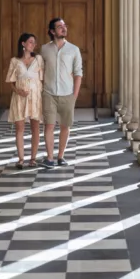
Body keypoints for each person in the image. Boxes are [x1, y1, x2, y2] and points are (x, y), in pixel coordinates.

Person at [40, 17, 83, 168]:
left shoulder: (74, 50)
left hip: (67, 93)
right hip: (48, 93)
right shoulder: (44, 49)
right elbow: (40, 70)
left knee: (65, 126)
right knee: (49, 125)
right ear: (52, 31)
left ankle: (61, 156)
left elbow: (78, 74)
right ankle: (50, 158)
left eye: (65, 25)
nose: (64, 28)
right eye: (60, 26)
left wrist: (74, 96)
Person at [3, 32, 43, 169]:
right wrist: (18, 91)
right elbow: (10, 81)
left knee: (35, 127)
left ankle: (33, 158)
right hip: (19, 97)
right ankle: (21, 159)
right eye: (31, 42)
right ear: (23, 44)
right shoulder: (15, 61)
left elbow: (43, 78)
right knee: (19, 127)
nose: (34, 45)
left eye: (34, 42)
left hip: (35, 98)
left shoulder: (38, 59)